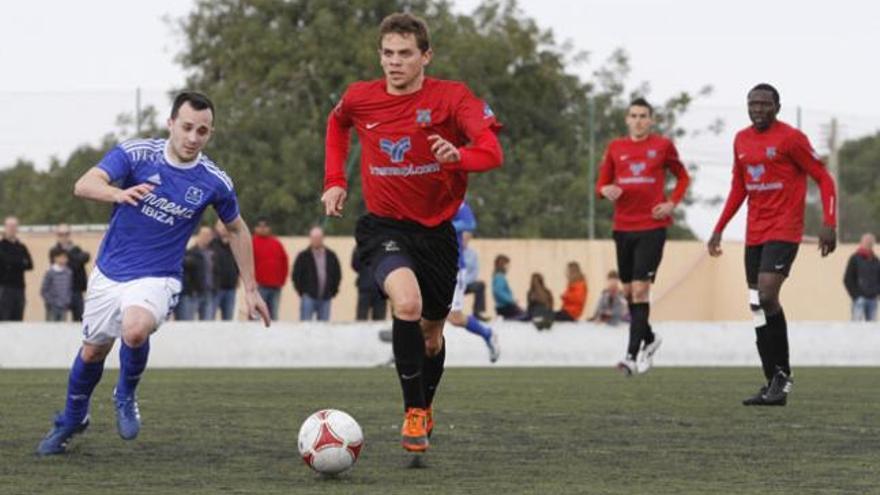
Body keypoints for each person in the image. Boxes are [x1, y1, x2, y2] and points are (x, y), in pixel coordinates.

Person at [37, 91, 270, 456]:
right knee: (93, 352)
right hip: (110, 273)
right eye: (188, 127)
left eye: (203, 131)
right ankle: (71, 418)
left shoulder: (213, 181)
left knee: (134, 328)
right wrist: (118, 194)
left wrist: (251, 287)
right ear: (171, 124)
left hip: (159, 276)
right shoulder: (136, 154)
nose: (193, 137)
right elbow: (84, 184)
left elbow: (238, 229)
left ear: (210, 134)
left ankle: (126, 392)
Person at [321, 12, 502, 453]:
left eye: (405, 54)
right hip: (383, 226)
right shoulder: (361, 98)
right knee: (407, 303)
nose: (394, 62)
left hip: (437, 233)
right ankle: (413, 412)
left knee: (432, 334)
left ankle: (425, 404)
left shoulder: (453, 99)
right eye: (387, 54)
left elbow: (491, 152)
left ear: (426, 56)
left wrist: (458, 155)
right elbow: (337, 124)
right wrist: (335, 180)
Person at [709, 83, 836, 407]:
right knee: (756, 305)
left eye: (765, 104)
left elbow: (823, 177)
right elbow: (739, 187)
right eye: (753, 103)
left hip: (784, 229)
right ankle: (772, 381)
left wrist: (829, 223)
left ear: (777, 107)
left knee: (767, 294)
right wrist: (719, 228)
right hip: (755, 233)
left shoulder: (791, 138)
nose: (758, 109)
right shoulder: (741, 139)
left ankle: (783, 375)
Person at [596, 97, 690, 376]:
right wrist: (604, 191)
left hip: (651, 226)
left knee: (640, 290)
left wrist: (672, 202)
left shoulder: (662, 146)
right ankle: (649, 339)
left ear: (651, 120)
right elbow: (601, 183)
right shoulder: (615, 147)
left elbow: (683, 177)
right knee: (628, 293)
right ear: (627, 119)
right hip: (622, 227)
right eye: (633, 115)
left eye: (643, 116)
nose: (638, 120)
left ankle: (629, 357)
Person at [447, 201, 500, 362]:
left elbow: (469, 223)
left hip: (453, 269)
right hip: (429, 268)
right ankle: (404, 351)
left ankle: (487, 334)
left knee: (454, 318)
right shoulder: (423, 199)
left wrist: (442, 228)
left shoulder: (456, 203)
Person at [292, 226, 342, 321]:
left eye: (318, 238)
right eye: (314, 238)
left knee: (324, 328)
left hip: (326, 298)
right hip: (308, 297)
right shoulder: (303, 256)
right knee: (305, 326)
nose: (316, 240)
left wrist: (333, 291)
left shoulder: (331, 255)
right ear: (310, 239)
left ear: (323, 238)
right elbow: (296, 276)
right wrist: (302, 292)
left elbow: (337, 275)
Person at [50, 224, 91, 321]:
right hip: (60, 292)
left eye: (66, 234)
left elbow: (86, 257)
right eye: (61, 234)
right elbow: (62, 266)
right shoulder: (54, 251)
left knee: (80, 319)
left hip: (76, 289)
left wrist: (70, 260)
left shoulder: (76, 248)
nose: (64, 237)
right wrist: (76, 260)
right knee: (59, 321)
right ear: (57, 235)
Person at [252, 217, 288, 320]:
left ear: (269, 228)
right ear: (255, 228)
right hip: (259, 287)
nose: (263, 229)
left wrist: (282, 281)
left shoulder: (276, 243)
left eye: (265, 226)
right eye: (260, 226)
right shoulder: (251, 243)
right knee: (257, 316)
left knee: (273, 316)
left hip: (276, 286)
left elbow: (284, 262)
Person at [179, 226, 216, 320]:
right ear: (198, 235)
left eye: (208, 235)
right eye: (204, 235)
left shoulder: (213, 252)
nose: (206, 237)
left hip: (208, 292)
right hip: (193, 294)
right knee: (188, 323)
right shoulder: (190, 252)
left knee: (207, 325)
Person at [0, 216, 33, 321]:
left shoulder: (21, 247)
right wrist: (19, 262)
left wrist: (12, 262)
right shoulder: (1, 246)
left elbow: (30, 265)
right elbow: (6, 262)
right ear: (5, 228)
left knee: (18, 319)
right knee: (4, 318)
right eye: (10, 226)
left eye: (14, 226)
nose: (12, 229)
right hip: (4, 288)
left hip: (19, 288)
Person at [211, 219, 239, 320]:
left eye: (226, 225)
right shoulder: (211, 244)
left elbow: (238, 264)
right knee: (210, 318)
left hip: (231, 289)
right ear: (216, 228)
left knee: (228, 320)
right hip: (215, 289)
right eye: (221, 226)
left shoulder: (235, 244)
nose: (224, 228)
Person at [352, 245, 387, 321]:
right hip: (365, 288)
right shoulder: (360, 246)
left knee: (379, 320)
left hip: (380, 289)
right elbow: (355, 265)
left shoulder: (384, 245)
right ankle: (360, 333)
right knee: (361, 318)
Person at [461, 231, 489, 320]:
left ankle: (477, 312)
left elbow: (475, 272)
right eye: (462, 239)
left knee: (480, 285)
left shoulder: (473, 254)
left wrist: (465, 282)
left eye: (466, 239)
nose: (463, 241)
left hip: (467, 283)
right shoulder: (452, 251)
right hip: (453, 284)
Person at [492, 255, 528, 320]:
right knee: (527, 316)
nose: (509, 267)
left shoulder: (498, 276)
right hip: (505, 308)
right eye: (507, 265)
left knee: (525, 314)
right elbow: (498, 291)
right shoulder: (499, 277)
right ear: (503, 265)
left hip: (504, 307)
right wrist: (512, 301)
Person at [41, 249, 73, 321]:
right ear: (55, 258)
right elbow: (44, 290)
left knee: (63, 328)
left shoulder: (68, 272)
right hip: (52, 307)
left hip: (64, 306)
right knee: (51, 327)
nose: (63, 259)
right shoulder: (50, 272)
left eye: (65, 257)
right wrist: (51, 301)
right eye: (60, 257)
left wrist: (67, 300)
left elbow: (69, 288)